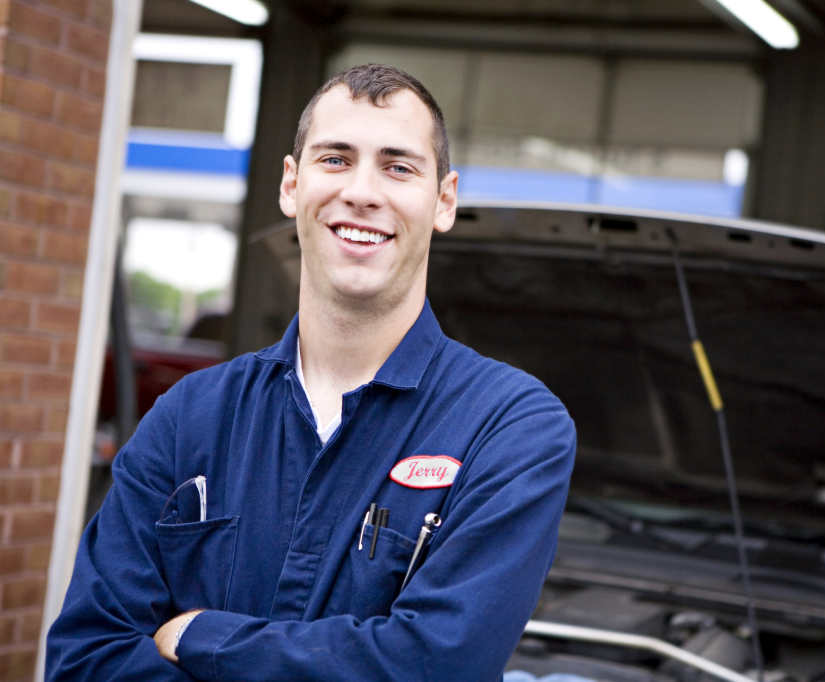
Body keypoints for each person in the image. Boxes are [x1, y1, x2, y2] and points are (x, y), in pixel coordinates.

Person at [46, 64, 576, 681]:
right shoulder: (190, 415)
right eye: (336, 159)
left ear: (444, 200)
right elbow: (86, 657)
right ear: (291, 185)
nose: (362, 191)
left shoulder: (510, 427)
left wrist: (203, 636)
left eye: (398, 167)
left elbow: (437, 664)